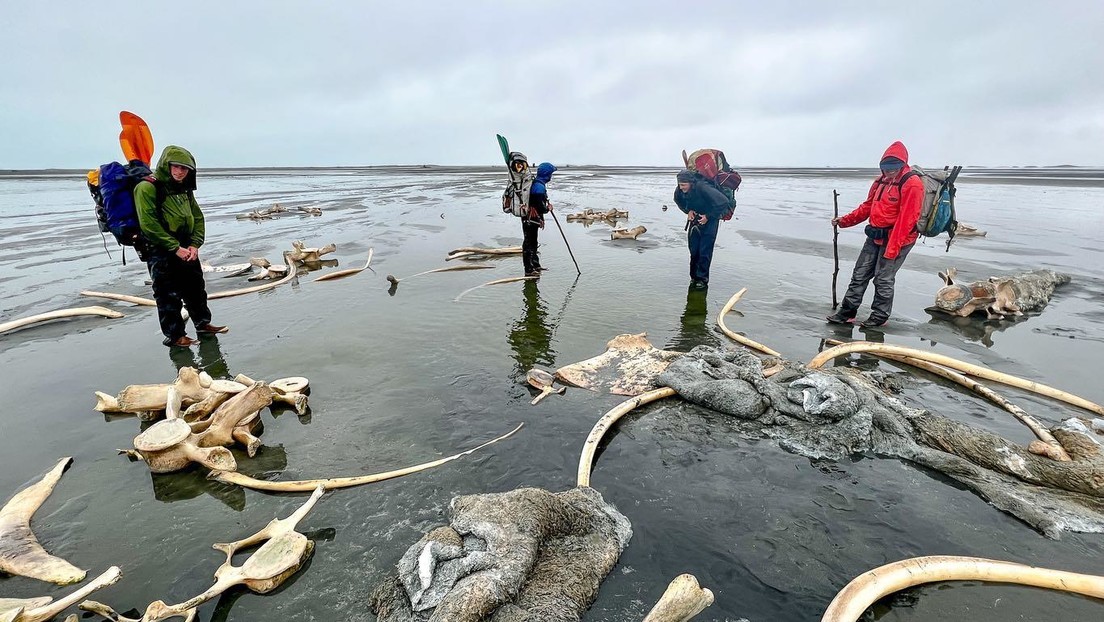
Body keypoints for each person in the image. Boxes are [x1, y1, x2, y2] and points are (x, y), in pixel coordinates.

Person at [136, 145, 228, 347]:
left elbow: (197, 216)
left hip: (186, 246)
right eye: (176, 167)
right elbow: (148, 224)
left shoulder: (184, 188)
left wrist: (195, 244)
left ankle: (203, 324)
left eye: (184, 169)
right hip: (161, 249)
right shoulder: (147, 187)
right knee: (167, 293)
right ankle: (176, 336)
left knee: (195, 288)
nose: (179, 172)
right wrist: (174, 248)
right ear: (167, 165)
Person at [827, 141, 923, 328]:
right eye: (886, 168)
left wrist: (893, 249)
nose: (889, 171)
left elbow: (907, 220)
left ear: (902, 164)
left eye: (893, 168)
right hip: (875, 236)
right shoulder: (880, 181)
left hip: (898, 238)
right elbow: (868, 206)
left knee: (883, 278)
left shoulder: (912, 184)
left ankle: (879, 316)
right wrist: (844, 221)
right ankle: (847, 313)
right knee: (859, 274)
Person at [673, 170, 729, 289]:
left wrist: (708, 216)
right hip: (695, 218)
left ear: (691, 183)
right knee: (694, 250)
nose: (681, 187)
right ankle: (694, 277)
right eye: (679, 185)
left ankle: (702, 280)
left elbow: (724, 202)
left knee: (705, 251)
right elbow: (677, 200)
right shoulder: (679, 190)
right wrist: (688, 211)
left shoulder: (703, 187)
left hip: (711, 220)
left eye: (683, 185)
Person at [522, 162, 557, 277]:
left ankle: (535, 265)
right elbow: (540, 207)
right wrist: (548, 208)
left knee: (533, 242)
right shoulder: (539, 187)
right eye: (551, 173)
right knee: (529, 244)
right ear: (547, 174)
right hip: (530, 219)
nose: (551, 176)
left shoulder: (538, 183)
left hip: (531, 219)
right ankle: (529, 269)